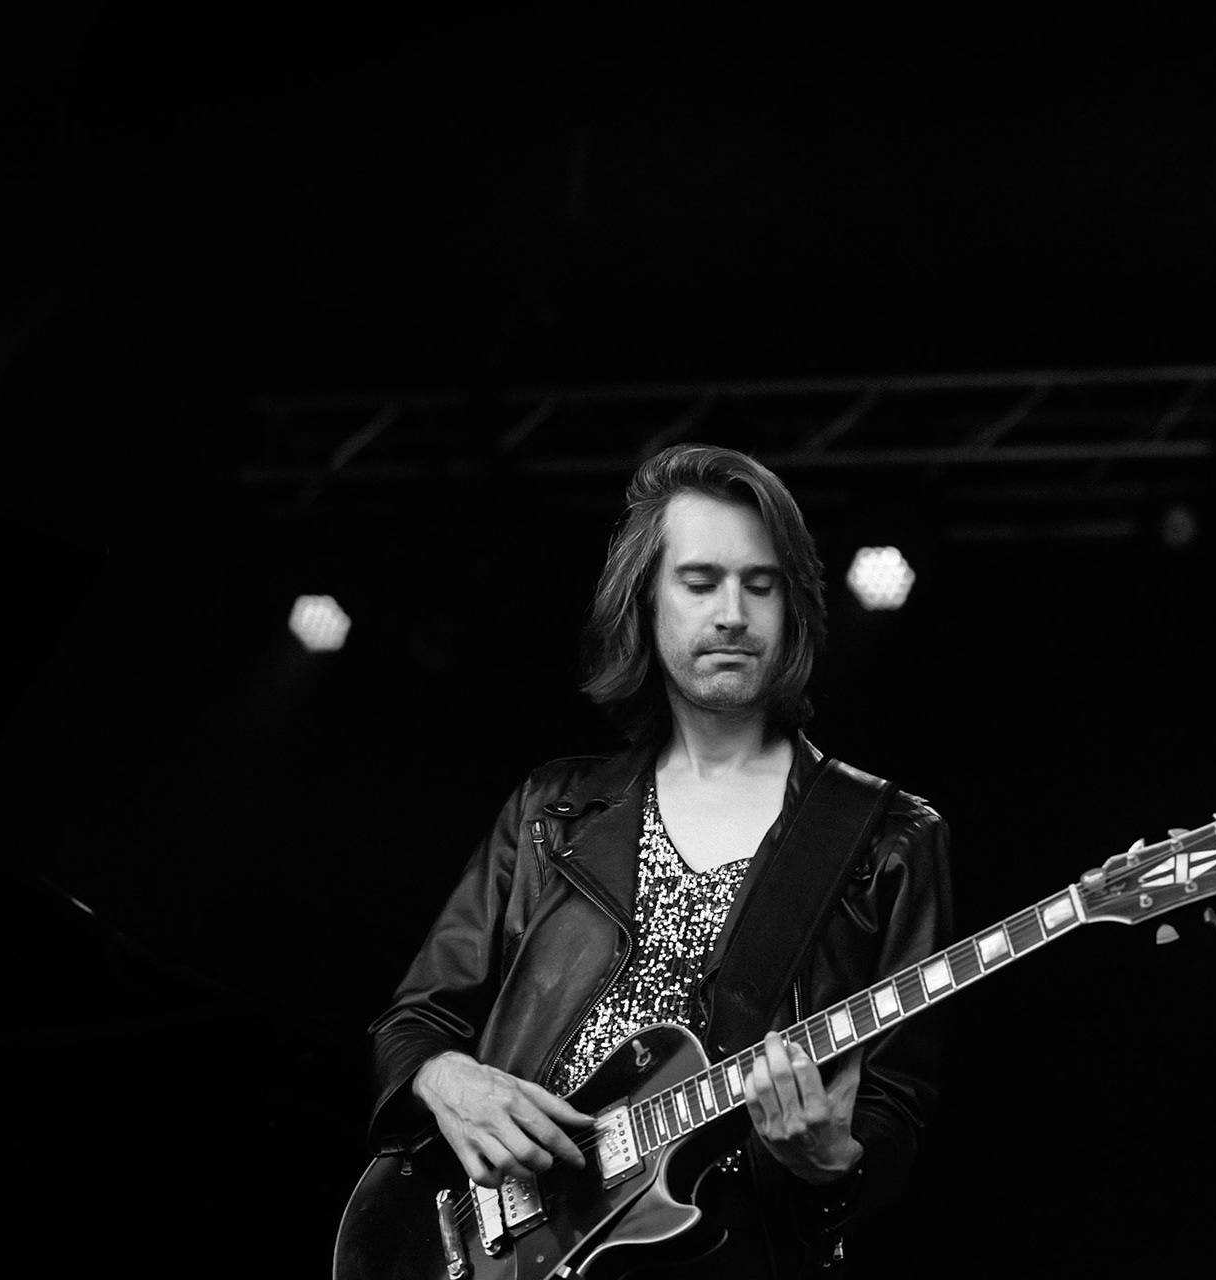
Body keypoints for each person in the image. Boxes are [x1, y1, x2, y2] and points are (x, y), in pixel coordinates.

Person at [363, 444, 953, 1277]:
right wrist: (446, 1079)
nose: (733, 614)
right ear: (644, 603)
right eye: (700, 582)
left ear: (793, 607)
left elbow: (893, 1115)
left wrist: (833, 1163)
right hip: (505, 1249)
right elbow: (413, 1022)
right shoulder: (552, 812)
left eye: (761, 584)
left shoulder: (886, 838)